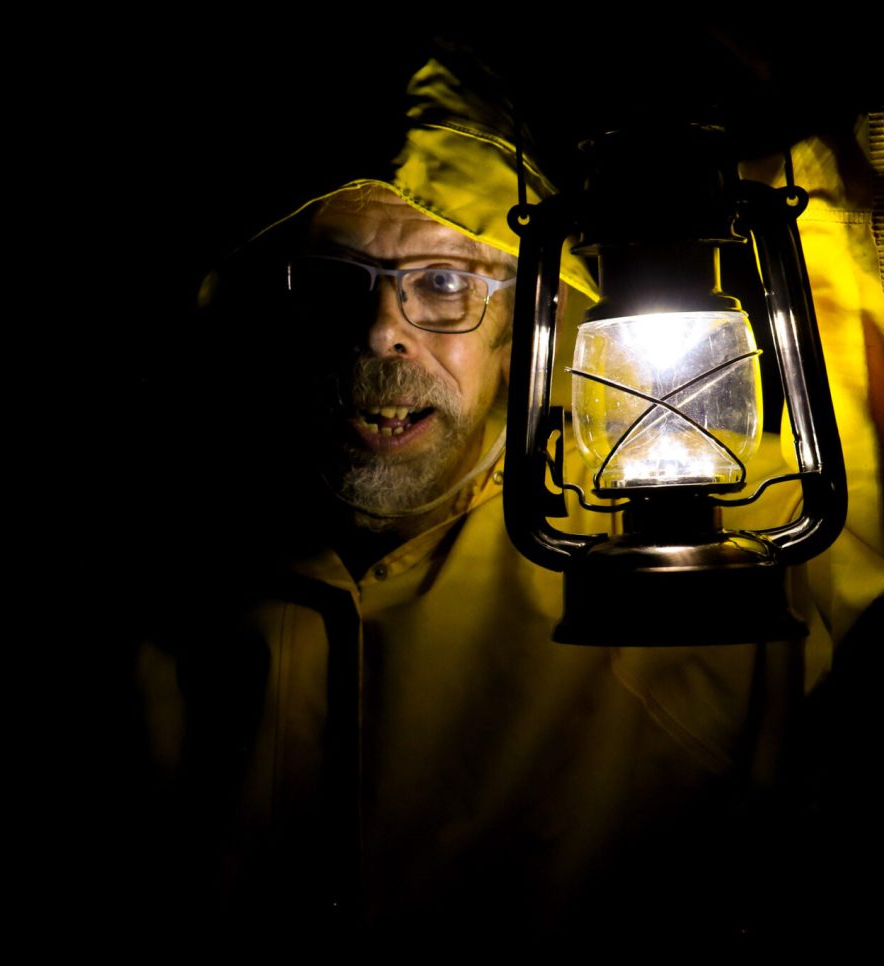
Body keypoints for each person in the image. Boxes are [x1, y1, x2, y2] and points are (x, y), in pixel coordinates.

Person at [177, 51, 883, 952]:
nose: (383, 332)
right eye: (332, 281)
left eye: (443, 283)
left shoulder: (718, 529)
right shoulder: (176, 561)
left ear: (526, 322)